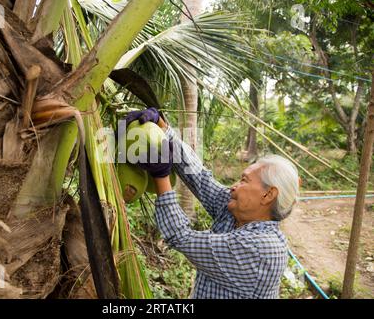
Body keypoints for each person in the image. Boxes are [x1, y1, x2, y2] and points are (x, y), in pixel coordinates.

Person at [124, 107, 300, 299]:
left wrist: (161, 175)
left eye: (244, 181)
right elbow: (201, 179)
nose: (234, 186)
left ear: (268, 195)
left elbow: (181, 237)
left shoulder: (260, 249)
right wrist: (164, 130)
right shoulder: (238, 213)